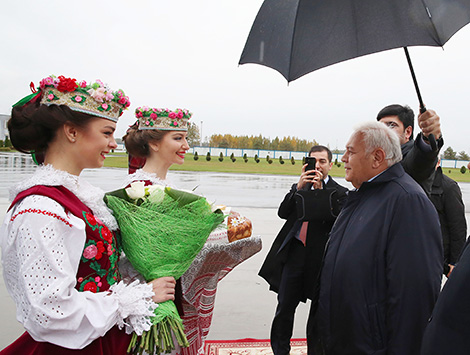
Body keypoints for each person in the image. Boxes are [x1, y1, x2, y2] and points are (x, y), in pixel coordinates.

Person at [0, 75, 176, 354]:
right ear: (72, 132)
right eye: (106, 133)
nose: (113, 144)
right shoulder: (41, 209)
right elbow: (49, 311)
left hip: (103, 339)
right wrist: (140, 296)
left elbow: (102, 269)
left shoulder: (83, 197)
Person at [122, 106, 262, 355]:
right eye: (178, 138)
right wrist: (222, 228)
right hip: (154, 297)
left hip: (171, 290)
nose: (186, 145)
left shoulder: (168, 188)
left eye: (186, 138)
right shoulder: (139, 190)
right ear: (153, 144)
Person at [315, 121, 442, 355]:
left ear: (377, 157)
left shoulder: (407, 202)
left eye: (351, 151)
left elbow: (414, 299)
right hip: (346, 340)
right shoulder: (362, 196)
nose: (343, 158)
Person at [258, 145, 347, 355]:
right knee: (284, 309)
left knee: (318, 314)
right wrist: (299, 188)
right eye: (313, 161)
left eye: (322, 162)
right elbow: (283, 213)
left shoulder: (340, 192)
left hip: (321, 259)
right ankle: (280, 351)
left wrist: (320, 193)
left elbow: (337, 222)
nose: (318, 166)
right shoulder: (299, 188)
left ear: (330, 165)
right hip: (296, 254)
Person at [376, 104, 443, 194]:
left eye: (391, 125)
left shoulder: (409, 157)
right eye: (380, 126)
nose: (384, 130)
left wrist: (428, 138)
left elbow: (420, 160)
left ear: (408, 132)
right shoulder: (377, 158)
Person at [430, 159, 467, 277]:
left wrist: (454, 261)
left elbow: (458, 227)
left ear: (438, 162)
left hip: (438, 257)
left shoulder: (449, 187)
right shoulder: (414, 183)